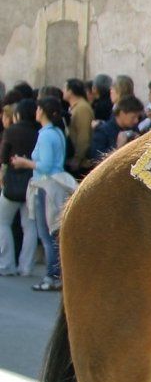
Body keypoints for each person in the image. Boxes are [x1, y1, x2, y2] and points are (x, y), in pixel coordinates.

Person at [9, 97, 70, 291]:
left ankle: (51, 276)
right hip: (55, 183)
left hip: (46, 186)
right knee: (53, 231)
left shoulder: (45, 135)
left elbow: (45, 165)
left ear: (42, 111)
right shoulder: (58, 132)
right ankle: (56, 274)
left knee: (47, 232)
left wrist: (24, 163)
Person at [0, 98, 39, 277]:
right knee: (29, 225)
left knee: (3, 221)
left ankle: (7, 263)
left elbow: (3, 157)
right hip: (32, 183)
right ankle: (26, 266)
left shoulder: (11, 131)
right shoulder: (39, 131)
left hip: (12, 184)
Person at [89, 96, 146, 161]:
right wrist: (118, 148)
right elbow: (97, 159)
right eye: (133, 117)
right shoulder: (103, 131)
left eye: (138, 117)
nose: (136, 120)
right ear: (122, 113)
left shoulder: (134, 128)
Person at [63, 78, 93, 174]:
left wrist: (78, 158)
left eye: (65, 88)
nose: (63, 91)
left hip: (81, 163)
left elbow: (83, 135)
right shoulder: (74, 107)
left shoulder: (82, 108)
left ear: (71, 91)